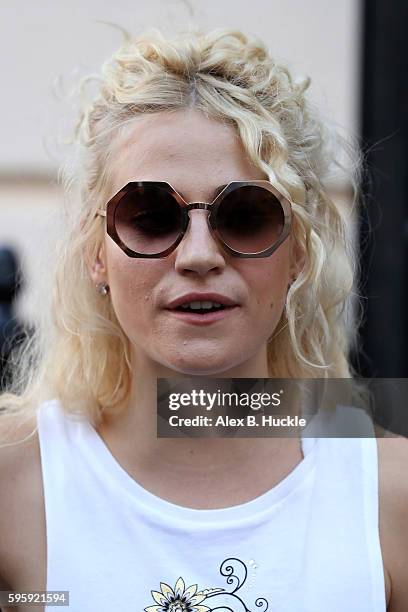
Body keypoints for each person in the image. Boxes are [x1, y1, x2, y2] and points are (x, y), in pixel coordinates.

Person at [0, 27, 407, 612]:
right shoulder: (15, 490)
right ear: (96, 250)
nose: (197, 255)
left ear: (299, 252)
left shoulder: (390, 497)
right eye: (150, 213)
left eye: (245, 214)